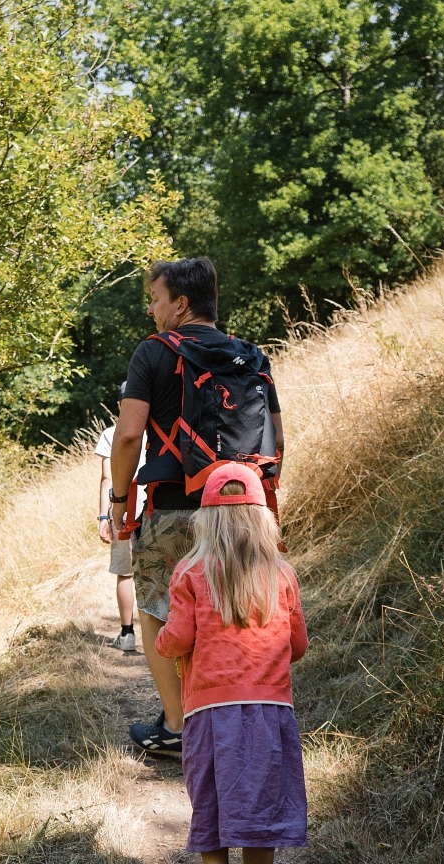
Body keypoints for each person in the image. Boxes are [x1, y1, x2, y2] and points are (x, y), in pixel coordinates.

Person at [107, 257, 283, 757]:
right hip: (244, 509)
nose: (151, 309)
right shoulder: (251, 356)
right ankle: (237, 721)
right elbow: (278, 442)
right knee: (230, 609)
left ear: (180, 304)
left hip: (174, 508)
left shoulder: (153, 353)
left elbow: (128, 435)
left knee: (158, 610)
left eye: (156, 298)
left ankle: (180, 729)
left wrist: (120, 502)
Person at [154, 463, 308, 864]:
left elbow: (178, 638)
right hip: (268, 712)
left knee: (212, 802)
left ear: (205, 521)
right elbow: (297, 645)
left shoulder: (191, 572)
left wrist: (161, 643)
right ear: (263, 519)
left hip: (207, 713)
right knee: (260, 812)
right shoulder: (282, 574)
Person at [94, 391, 146, 652]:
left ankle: (127, 635)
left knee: (126, 573)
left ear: (119, 405)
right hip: (157, 508)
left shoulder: (111, 434)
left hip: (123, 509)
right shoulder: (159, 430)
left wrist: (105, 516)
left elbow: (108, 479)